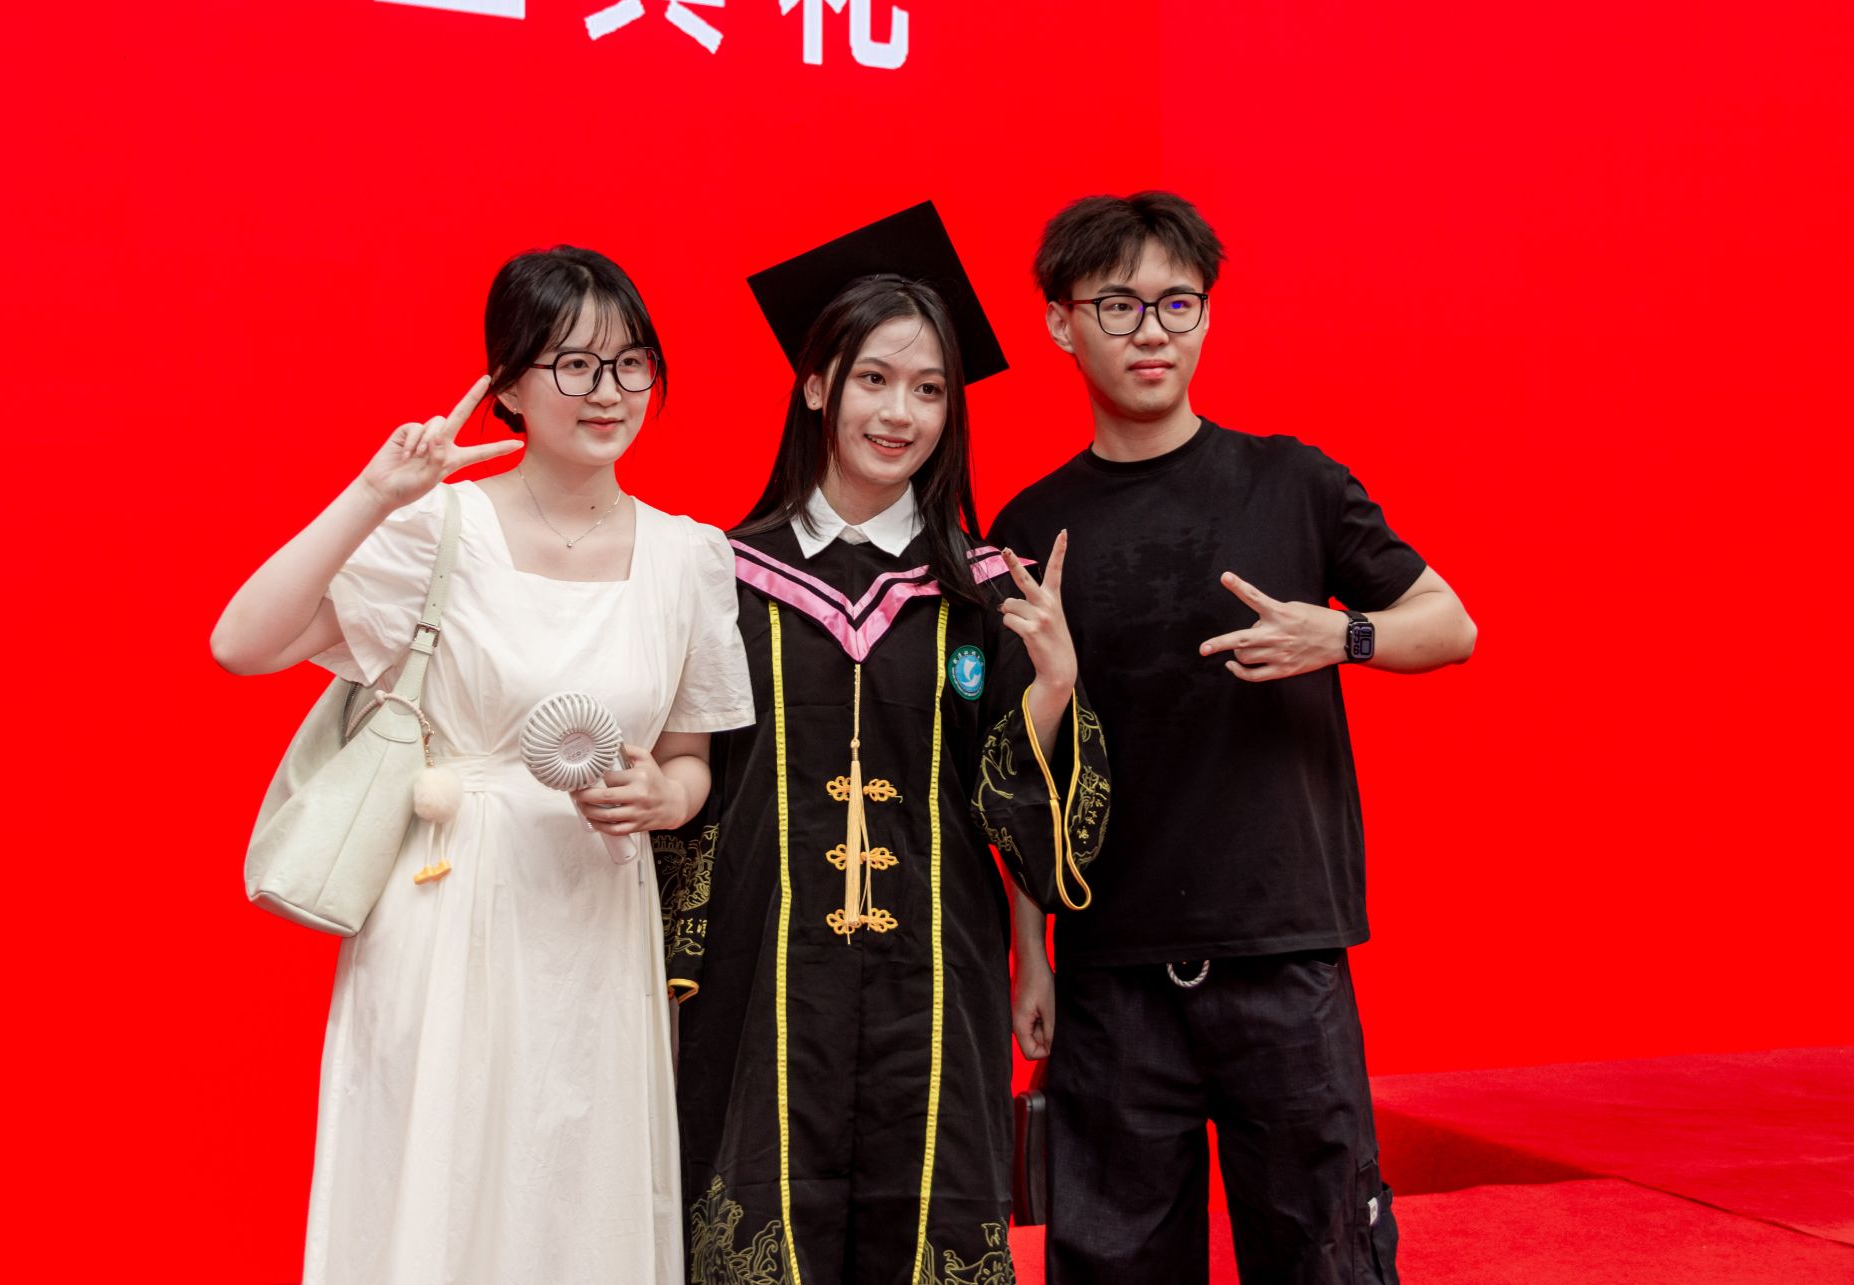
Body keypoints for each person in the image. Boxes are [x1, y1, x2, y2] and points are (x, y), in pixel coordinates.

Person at [210, 246, 754, 1285]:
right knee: (438, 1177)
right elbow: (242, 644)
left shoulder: (689, 556)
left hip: (596, 919)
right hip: (446, 901)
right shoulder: (438, 531)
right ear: (507, 383)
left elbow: (692, 760)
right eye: (574, 364)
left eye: (631, 362)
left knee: (576, 1181)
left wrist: (663, 796)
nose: (609, 392)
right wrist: (374, 494)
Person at [992, 192, 1478, 1285]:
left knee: (1326, 1258)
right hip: (1111, 974)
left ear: (1207, 315)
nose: (1152, 331)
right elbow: (1021, 766)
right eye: (1118, 305)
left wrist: (1340, 635)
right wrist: (1031, 950)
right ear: (1061, 323)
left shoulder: (1292, 482)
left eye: (1178, 302)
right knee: (1110, 1267)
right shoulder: (1028, 528)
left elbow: (1450, 625)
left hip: (1283, 959)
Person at [660, 204, 1110, 1284]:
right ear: (817, 386)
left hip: (937, 976)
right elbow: (689, 796)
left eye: (928, 389)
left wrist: (1054, 687)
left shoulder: (984, 590)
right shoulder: (720, 577)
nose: (899, 413)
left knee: (932, 1201)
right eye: (873, 379)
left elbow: (1018, 809)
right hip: (760, 978)